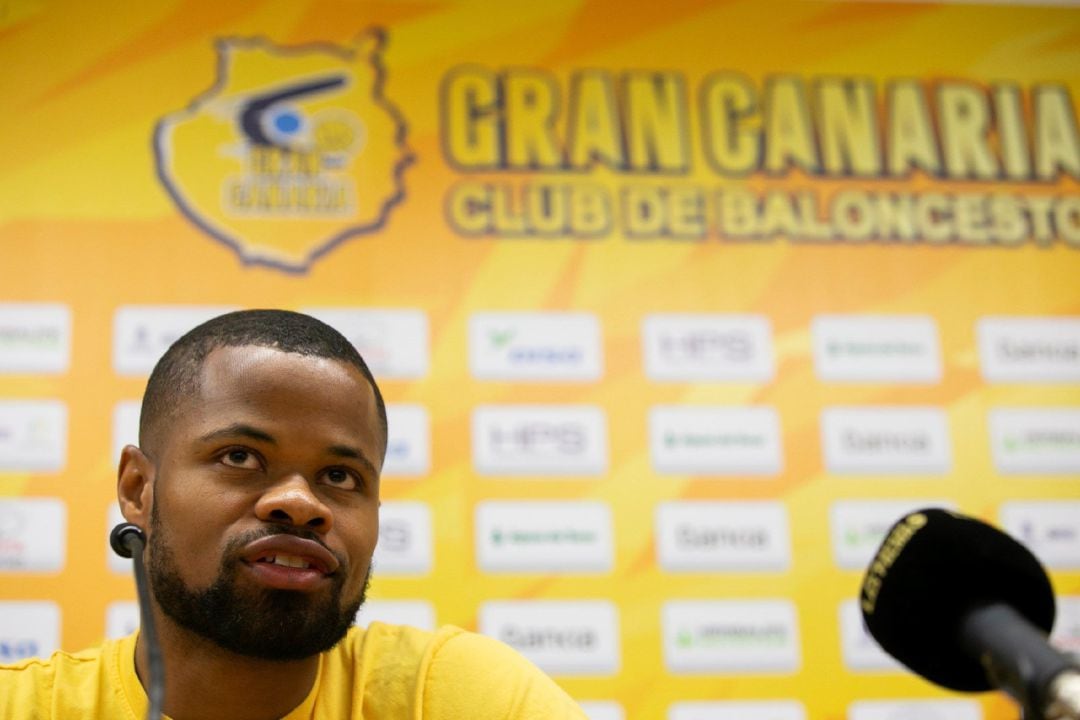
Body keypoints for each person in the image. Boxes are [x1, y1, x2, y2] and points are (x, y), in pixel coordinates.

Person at [0, 309, 587, 719]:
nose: (301, 504)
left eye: (340, 476)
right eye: (240, 457)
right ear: (138, 489)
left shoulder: (453, 697)